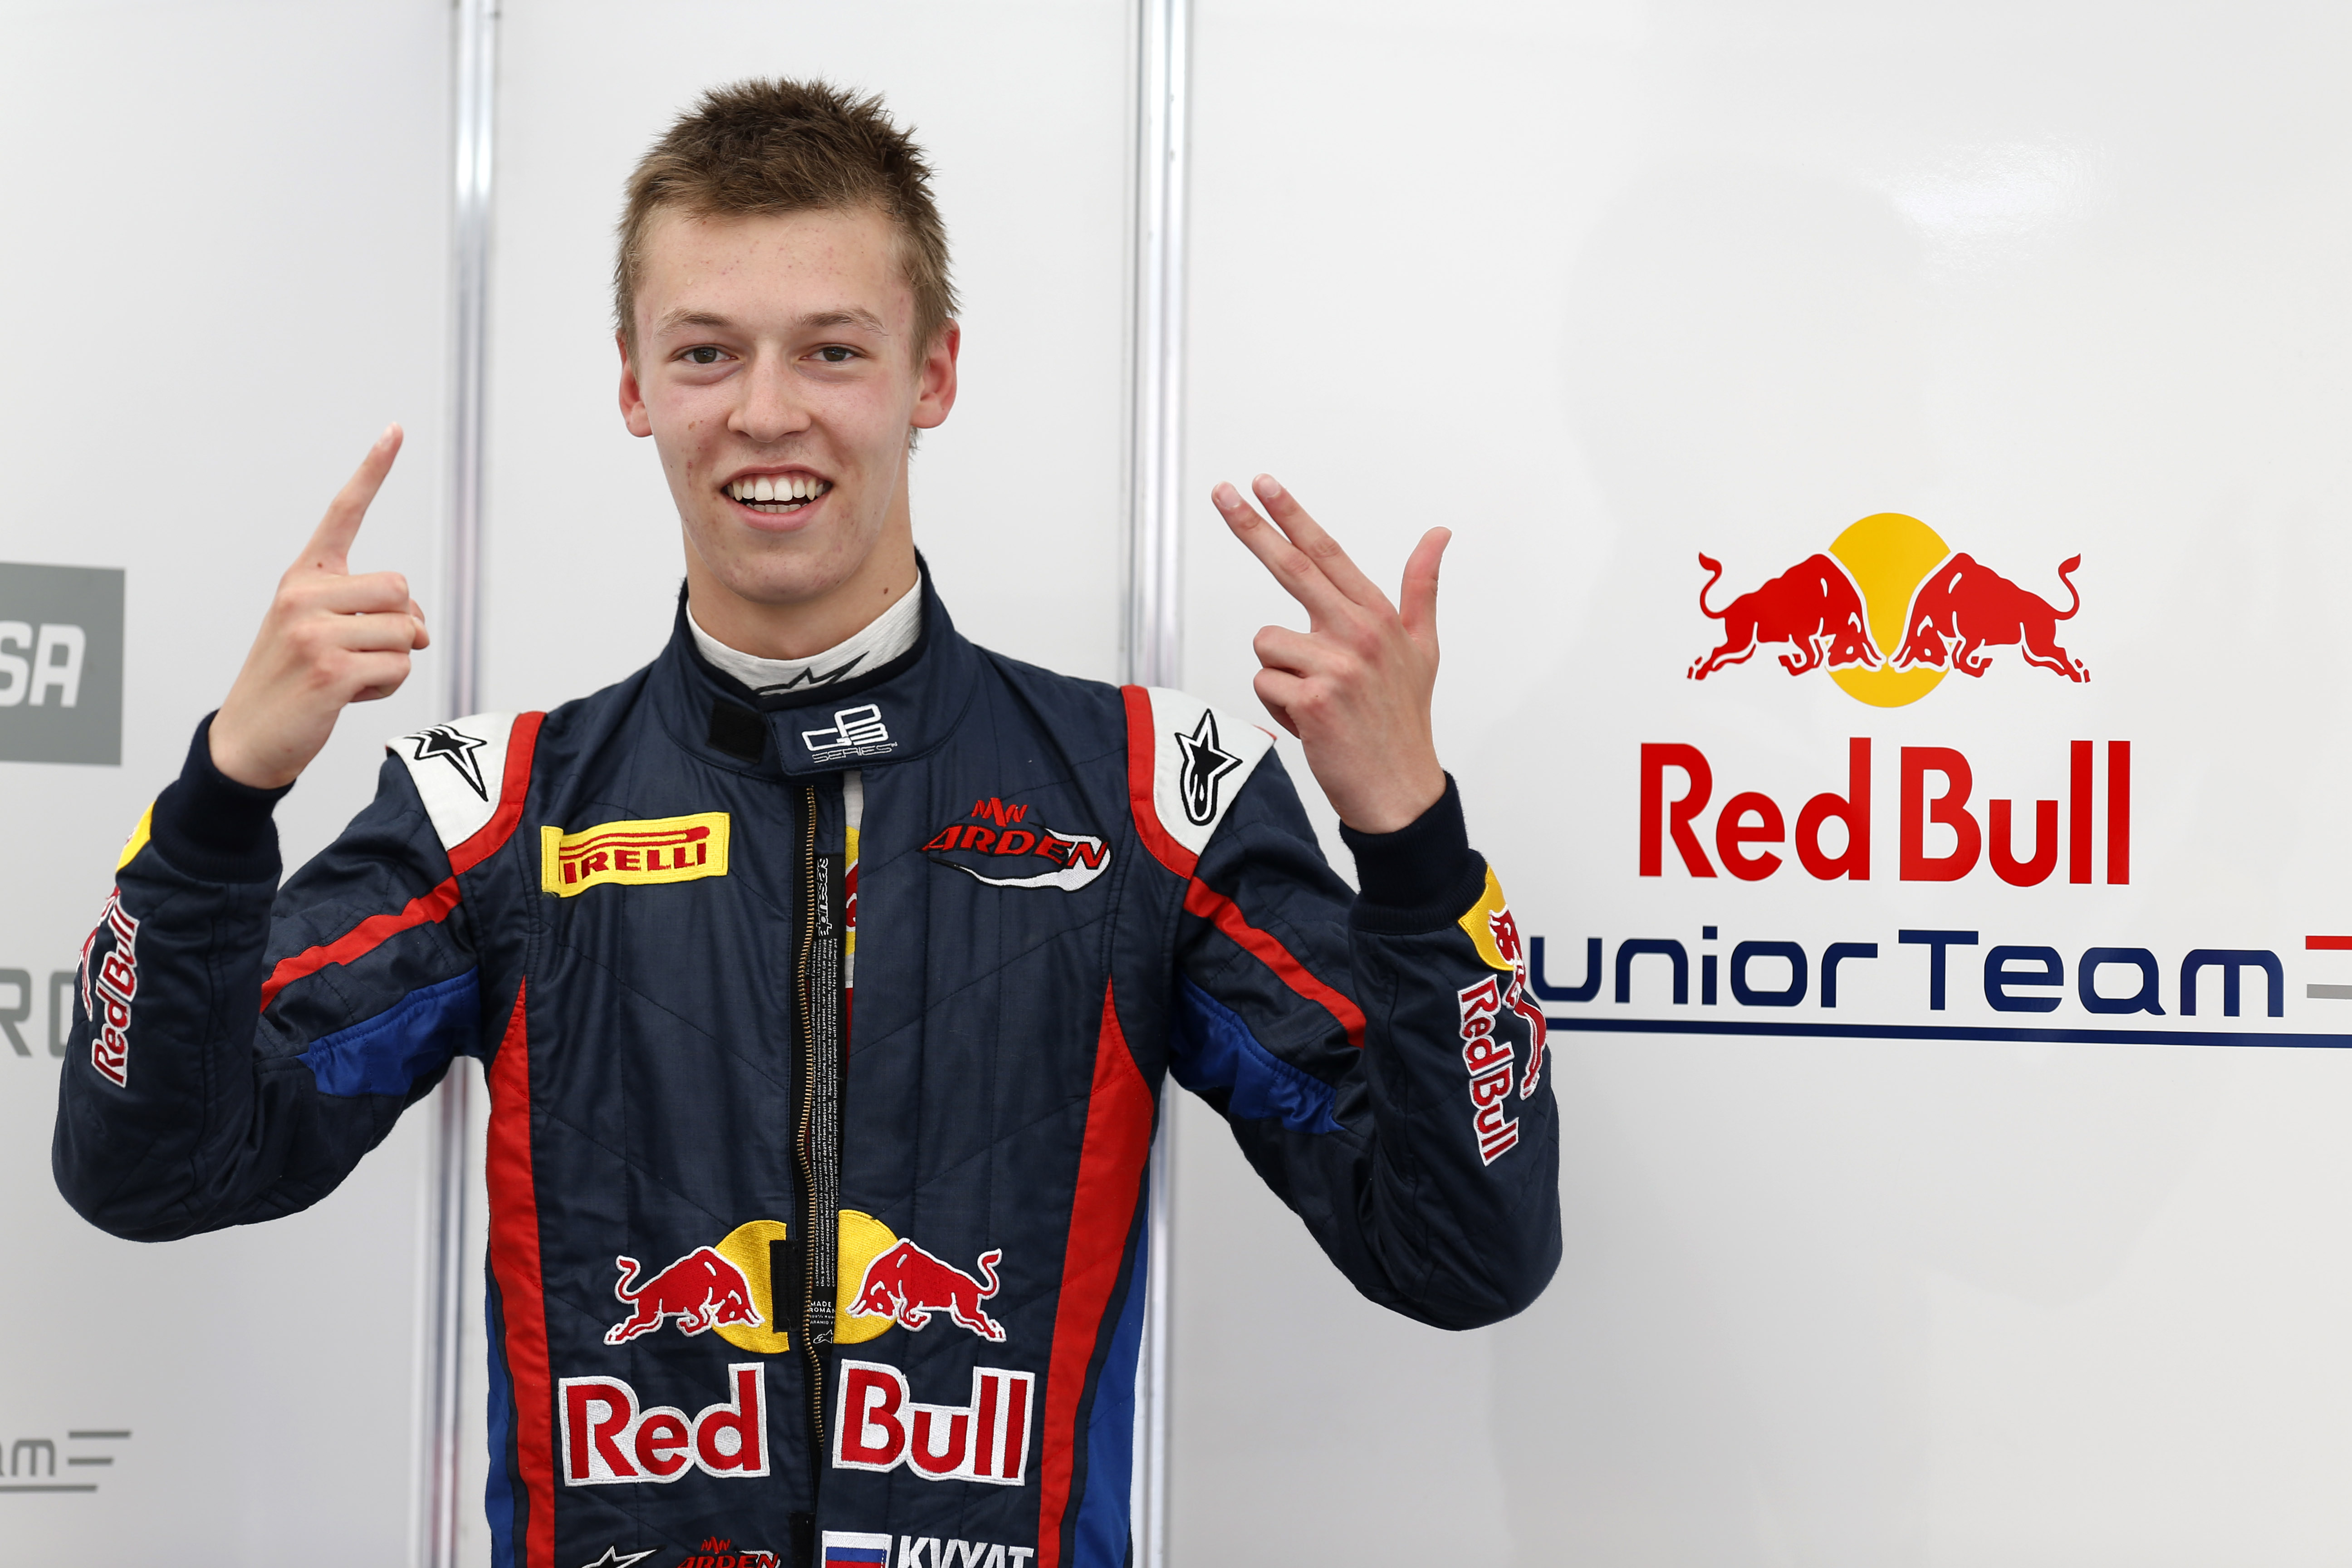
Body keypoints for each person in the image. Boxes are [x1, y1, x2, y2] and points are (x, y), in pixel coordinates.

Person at [53, 79, 1558, 1568]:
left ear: (932, 373)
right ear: (635, 386)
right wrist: (223, 801)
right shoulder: (495, 807)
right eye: (706, 351)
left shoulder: (1154, 793)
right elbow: (157, 1168)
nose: (766, 412)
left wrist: (1411, 842)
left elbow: (1461, 1253)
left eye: (833, 350)